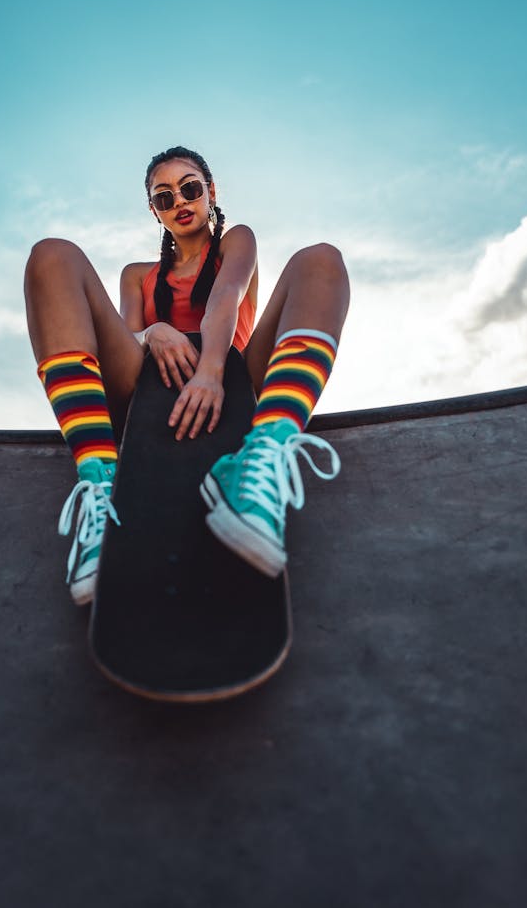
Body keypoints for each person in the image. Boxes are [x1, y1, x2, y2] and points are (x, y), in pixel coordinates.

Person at [24, 145, 350, 605]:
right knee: (51, 255)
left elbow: (226, 298)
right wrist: (152, 331)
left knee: (321, 259)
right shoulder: (137, 274)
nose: (180, 201)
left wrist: (211, 371)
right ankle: (100, 486)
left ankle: (262, 458)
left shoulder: (237, 240)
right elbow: (124, 336)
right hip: (144, 394)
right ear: (154, 211)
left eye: (190, 188)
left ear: (211, 192)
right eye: (164, 197)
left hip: (234, 383)